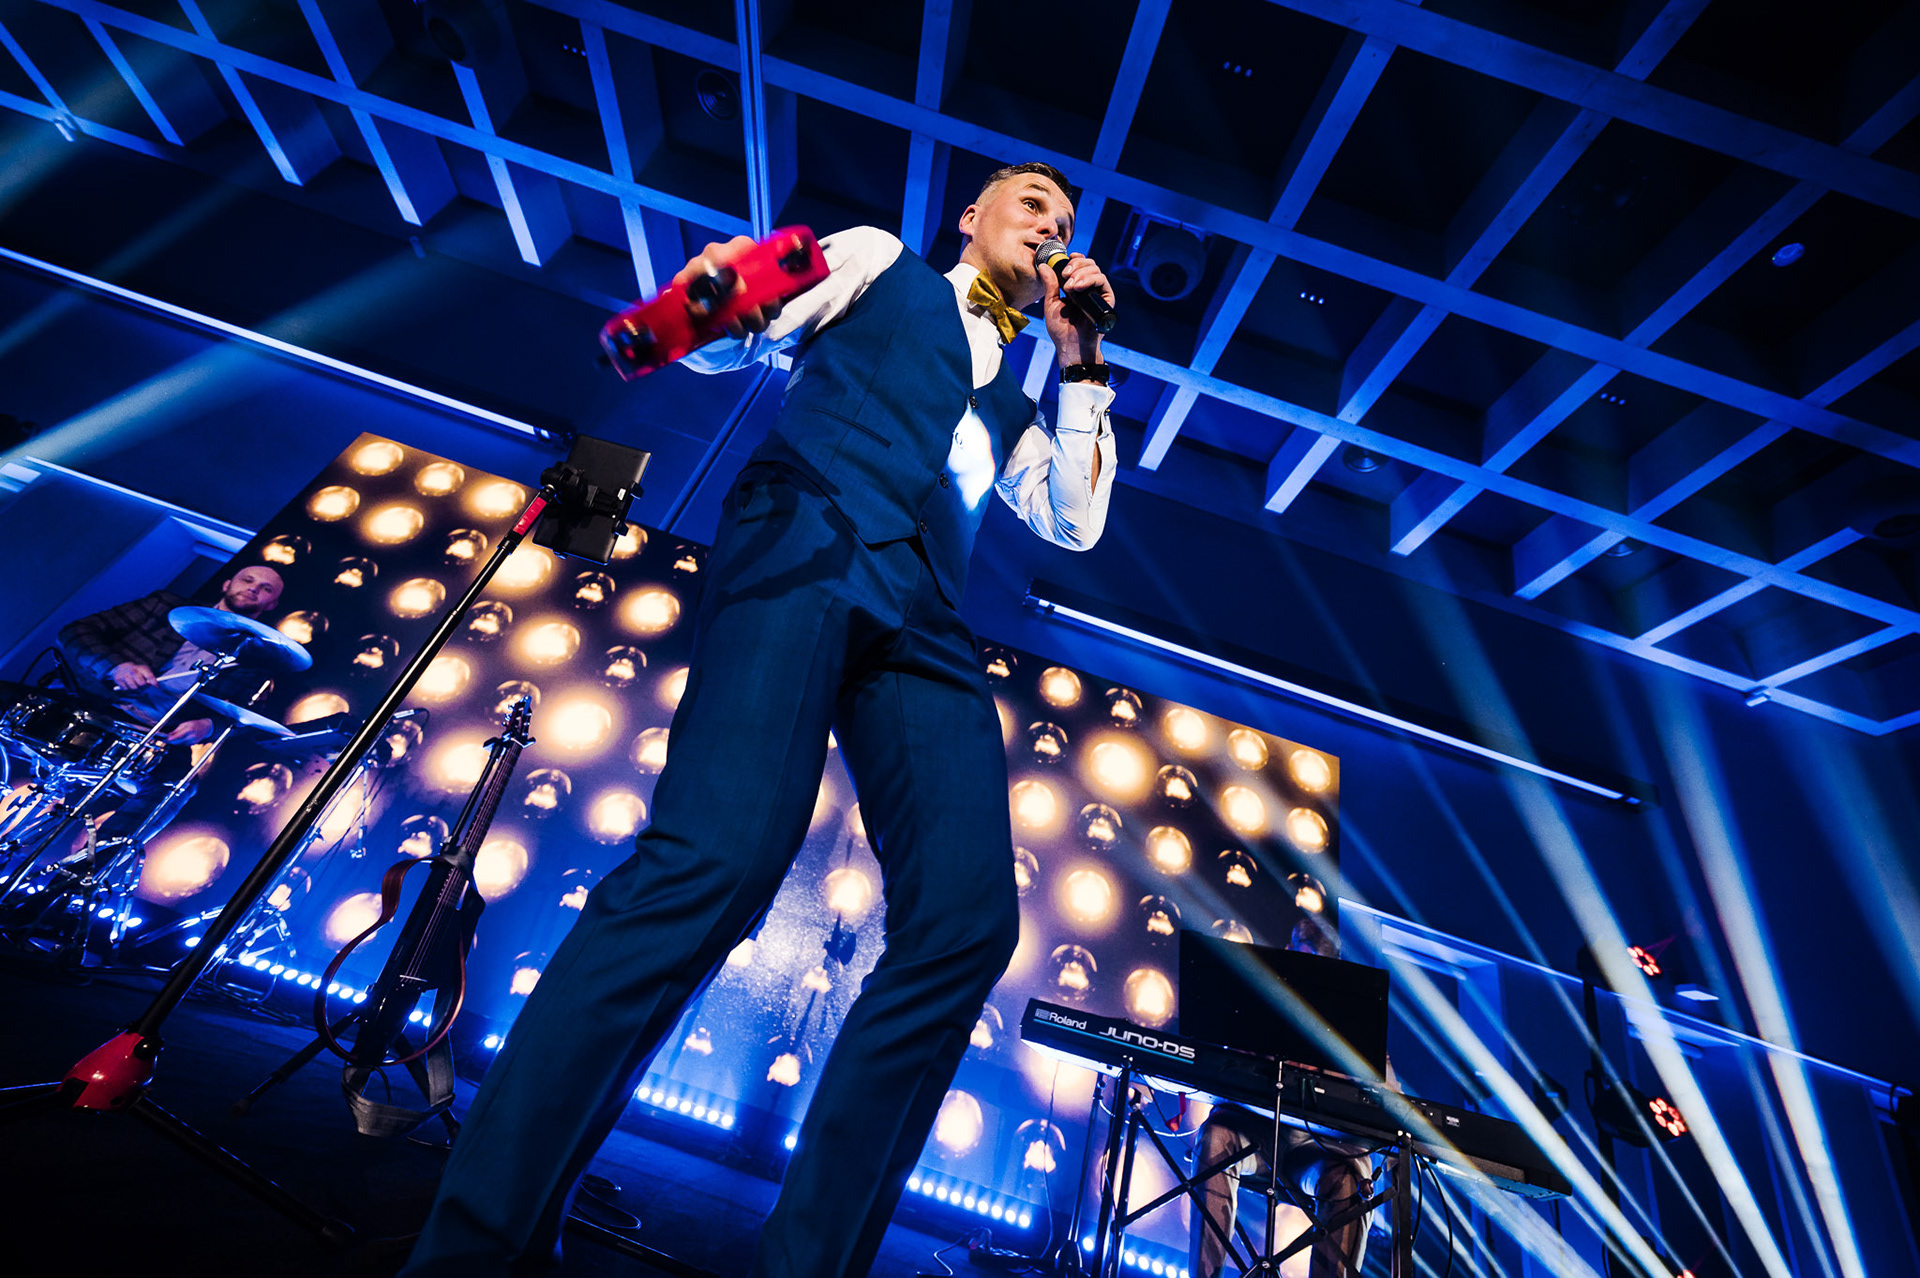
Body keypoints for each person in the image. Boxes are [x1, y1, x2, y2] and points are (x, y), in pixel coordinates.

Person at [402, 162, 1117, 1277]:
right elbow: (750, 327)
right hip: (809, 533)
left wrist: (1081, 361)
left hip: (925, 616)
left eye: (1065, 223)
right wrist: (715, 303)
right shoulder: (884, 260)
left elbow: (1074, 521)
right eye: (1034, 205)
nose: (1052, 228)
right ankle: (478, 1251)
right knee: (716, 861)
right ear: (971, 217)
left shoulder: (1022, 400)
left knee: (967, 926)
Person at [1189, 919, 1387, 1278]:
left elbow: (1388, 1097)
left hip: (1316, 1151)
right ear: (1288, 952)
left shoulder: (1349, 1016)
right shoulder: (1252, 992)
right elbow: (1215, 1061)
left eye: (1321, 968)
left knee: (1348, 1181)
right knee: (1214, 1138)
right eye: (1304, 961)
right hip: (1251, 1134)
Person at [54, 564, 284, 840]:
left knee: (178, 786)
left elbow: (247, 716)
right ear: (227, 584)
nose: (253, 589)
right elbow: (75, 632)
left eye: (265, 589)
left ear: (272, 604)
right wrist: (115, 667)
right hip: (97, 705)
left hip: (159, 734)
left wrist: (208, 726)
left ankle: (97, 857)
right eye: (247, 580)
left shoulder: (256, 658)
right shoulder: (165, 606)